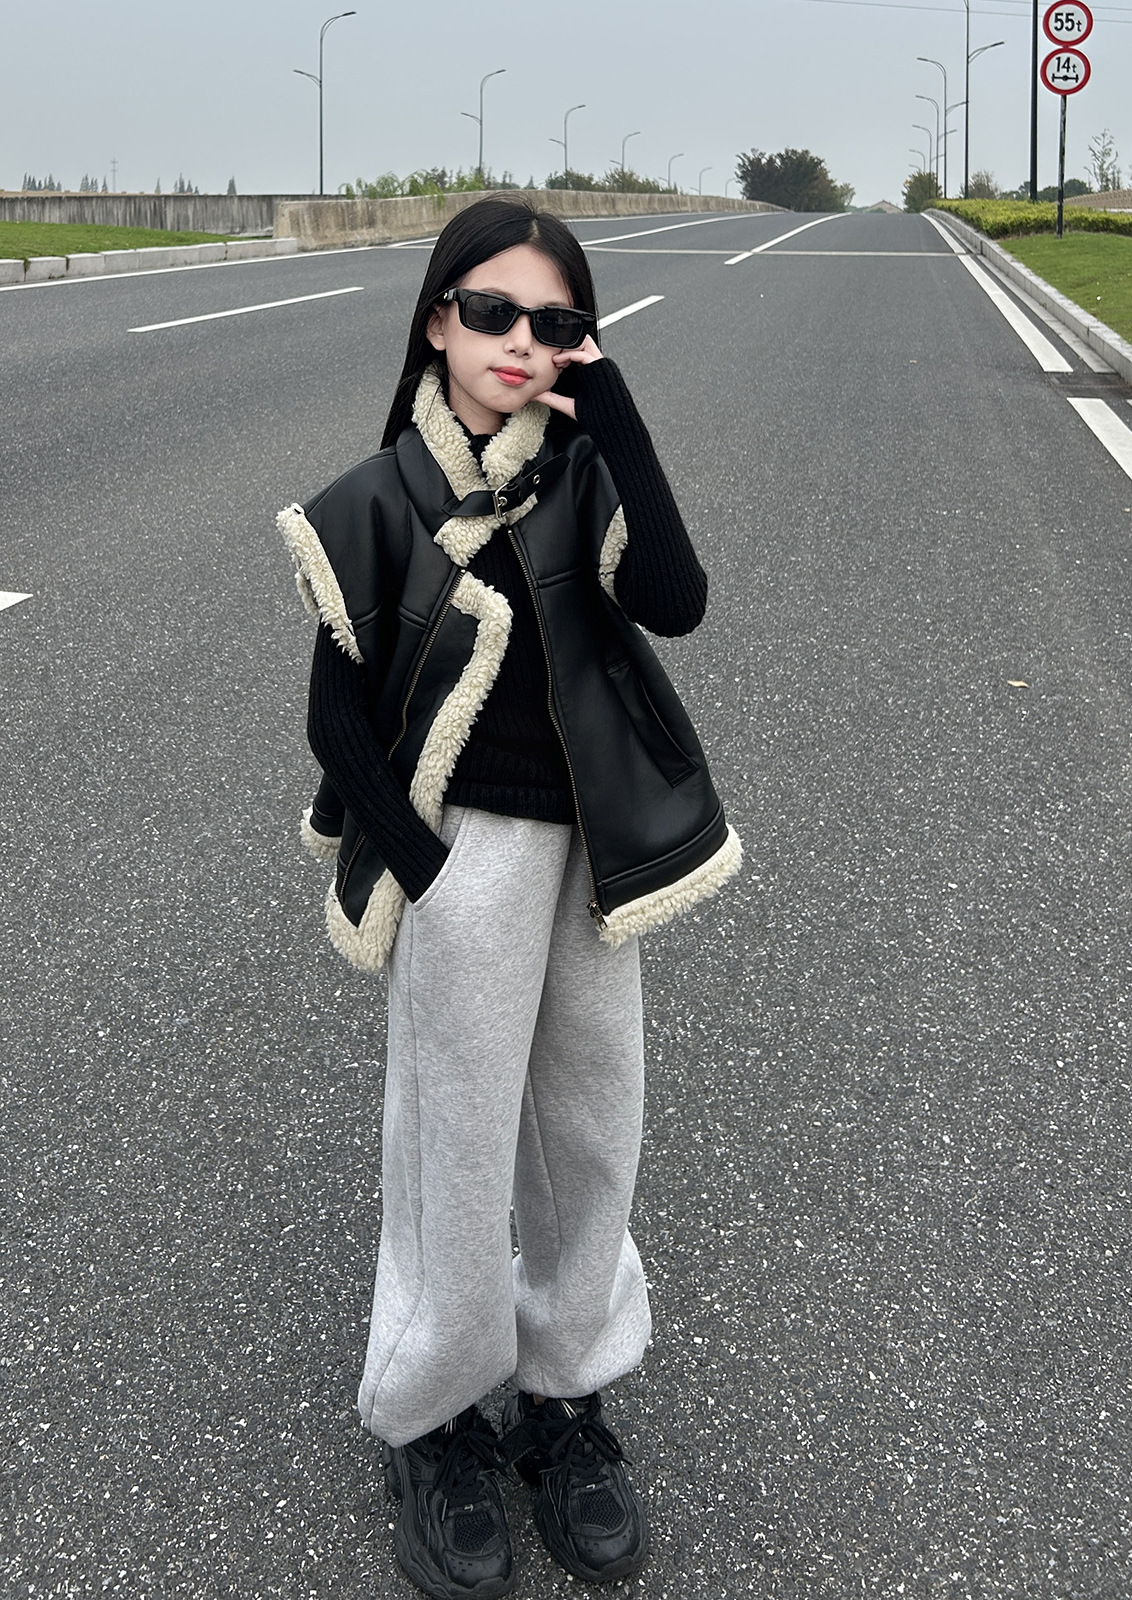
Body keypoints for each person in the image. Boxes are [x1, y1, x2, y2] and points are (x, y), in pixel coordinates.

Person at [278, 197, 740, 1600]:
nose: (520, 341)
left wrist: (618, 410)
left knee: (592, 1125)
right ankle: (431, 1419)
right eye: (492, 312)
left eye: (555, 322)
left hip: (593, 857)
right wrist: (425, 873)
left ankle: (565, 1392)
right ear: (437, 319)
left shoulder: (584, 477)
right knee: (456, 1144)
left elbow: (676, 598)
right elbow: (334, 717)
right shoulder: (378, 500)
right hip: (463, 856)